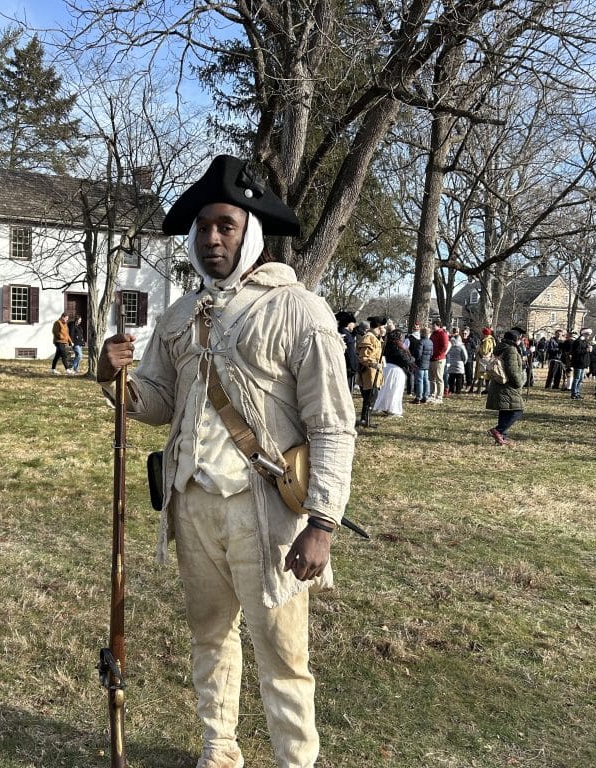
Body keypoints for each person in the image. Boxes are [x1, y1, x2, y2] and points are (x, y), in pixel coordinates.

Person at [96, 155, 356, 768]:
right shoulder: (180, 315)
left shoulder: (300, 310)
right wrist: (113, 379)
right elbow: (157, 403)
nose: (212, 238)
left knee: (283, 653)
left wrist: (322, 522)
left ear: (251, 232)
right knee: (210, 638)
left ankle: (296, 761)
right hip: (193, 505)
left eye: (226, 226)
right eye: (204, 228)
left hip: (266, 512)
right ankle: (220, 748)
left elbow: (332, 425)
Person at [486, 329, 526, 445]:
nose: (521, 341)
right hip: (508, 384)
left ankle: (501, 438)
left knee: (505, 410)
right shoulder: (511, 350)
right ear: (515, 339)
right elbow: (512, 370)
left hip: (499, 383)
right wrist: (519, 383)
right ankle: (498, 431)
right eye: (520, 339)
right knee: (517, 410)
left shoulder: (501, 347)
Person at [374, 327, 412, 417]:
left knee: (386, 389)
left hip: (387, 368)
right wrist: (411, 359)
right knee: (395, 390)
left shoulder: (387, 345)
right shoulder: (397, 346)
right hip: (396, 370)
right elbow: (404, 359)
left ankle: (385, 406)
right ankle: (393, 409)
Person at [356, 315, 385, 427]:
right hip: (369, 373)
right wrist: (374, 364)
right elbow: (363, 357)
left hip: (374, 373)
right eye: (383, 327)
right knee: (370, 397)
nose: (384, 329)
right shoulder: (369, 338)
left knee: (371, 397)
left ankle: (366, 419)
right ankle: (365, 419)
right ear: (378, 327)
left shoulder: (376, 337)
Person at [428, 319, 449, 403]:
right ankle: (432, 394)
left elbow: (444, 346)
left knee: (439, 378)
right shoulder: (433, 334)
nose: (432, 327)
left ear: (438, 325)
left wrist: (437, 354)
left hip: (439, 359)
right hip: (431, 358)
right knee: (431, 378)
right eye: (432, 325)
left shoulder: (442, 334)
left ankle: (439, 397)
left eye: (434, 325)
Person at [469, 327, 494, 394]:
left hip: (484, 359)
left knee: (481, 374)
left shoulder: (486, 341)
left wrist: (478, 350)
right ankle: (486, 389)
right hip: (488, 359)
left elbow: (484, 351)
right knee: (487, 375)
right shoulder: (491, 340)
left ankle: (479, 390)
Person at [569, 328, 592, 399]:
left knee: (581, 379)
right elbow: (575, 352)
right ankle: (574, 393)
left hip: (583, 363)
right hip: (578, 363)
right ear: (583, 334)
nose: (589, 336)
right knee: (577, 378)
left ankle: (577, 392)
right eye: (588, 334)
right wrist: (586, 350)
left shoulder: (585, 342)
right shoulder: (578, 342)